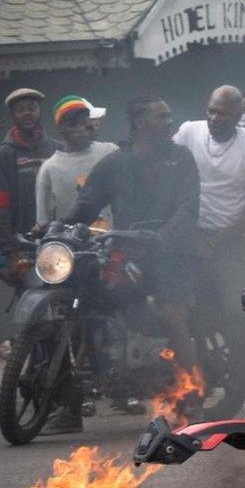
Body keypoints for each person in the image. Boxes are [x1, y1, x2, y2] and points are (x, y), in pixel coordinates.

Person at [52, 95, 201, 433]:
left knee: (172, 316)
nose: (169, 121)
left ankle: (193, 397)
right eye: (160, 116)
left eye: (168, 115)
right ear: (139, 124)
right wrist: (58, 227)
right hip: (126, 255)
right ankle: (98, 386)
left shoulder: (181, 158)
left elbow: (188, 207)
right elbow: (86, 206)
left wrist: (164, 236)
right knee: (93, 304)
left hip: (171, 255)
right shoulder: (114, 164)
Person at [173, 85, 245, 379]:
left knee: (237, 309)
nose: (215, 119)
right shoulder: (189, 132)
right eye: (211, 111)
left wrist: (215, 242)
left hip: (234, 239)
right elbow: (167, 163)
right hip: (191, 233)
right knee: (172, 303)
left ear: (239, 116)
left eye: (224, 114)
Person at [0, 88, 59, 287]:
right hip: (23, 242)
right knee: (31, 299)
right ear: (12, 115)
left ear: (40, 111)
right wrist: (10, 250)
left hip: (59, 239)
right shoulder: (5, 154)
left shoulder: (57, 149)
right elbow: (2, 203)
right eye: (20, 109)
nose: (27, 113)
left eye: (32, 108)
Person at [36, 96, 117, 228]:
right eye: (73, 124)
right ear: (60, 129)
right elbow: (43, 222)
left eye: (84, 122)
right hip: (70, 246)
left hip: (112, 242)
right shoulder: (50, 169)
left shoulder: (110, 152)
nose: (80, 128)